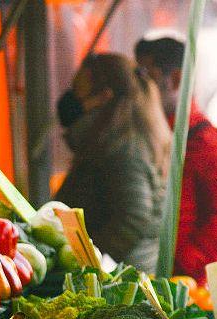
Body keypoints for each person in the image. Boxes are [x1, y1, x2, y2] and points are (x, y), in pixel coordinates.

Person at [135, 34, 217, 283]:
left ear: (176, 80)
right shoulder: (146, 140)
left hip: (190, 289)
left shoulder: (212, 145)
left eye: (147, 78)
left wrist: (179, 266)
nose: (139, 91)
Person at [54, 53, 171, 274]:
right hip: (121, 273)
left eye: (78, 92)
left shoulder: (124, 146)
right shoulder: (117, 140)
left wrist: (88, 261)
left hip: (120, 282)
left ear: (105, 97)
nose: (70, 100)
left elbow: (134, 216)